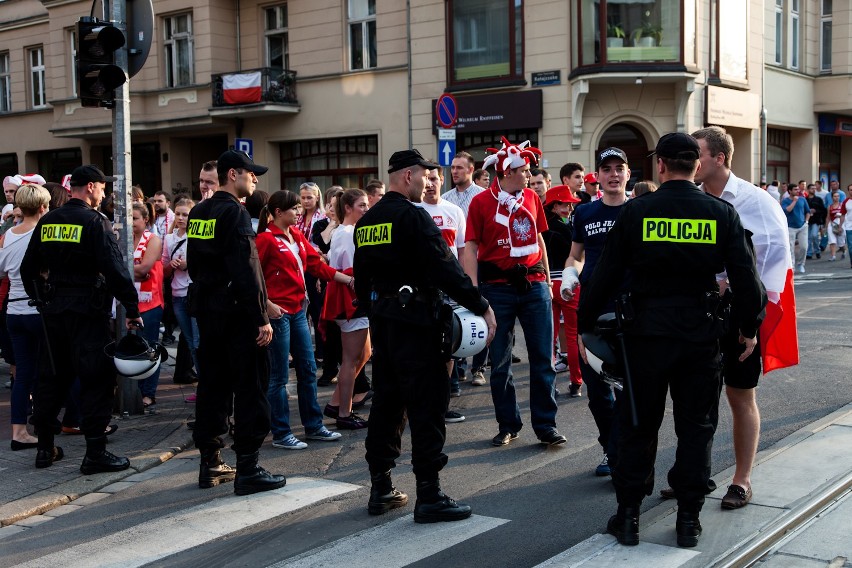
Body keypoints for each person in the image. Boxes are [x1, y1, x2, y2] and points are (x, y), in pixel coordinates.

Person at [578, 133, 766, 548]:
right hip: (699, 337)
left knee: (637, 425)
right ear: (696, 165)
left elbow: (602, 277)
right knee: (696, 428)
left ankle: (627, 517)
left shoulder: (635, 212)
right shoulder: (721, 213)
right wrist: (748, 330)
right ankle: (687, 521)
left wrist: (584, 328)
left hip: (644, 338)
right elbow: (748, 284)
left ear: (660, 165)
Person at [353, 149, 496, 522]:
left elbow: (361, 275)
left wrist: (374, 313)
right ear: (407, 177)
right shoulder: (412, 217)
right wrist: (479, 304)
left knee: (387, 402)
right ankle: (429, 495)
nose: (427, 183)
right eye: (423, 176)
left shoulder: (368, 221)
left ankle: (380, 487)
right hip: (417, 324)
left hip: (384, 323)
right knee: (427, 406)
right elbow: (444, 266)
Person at [689, 125, 793, 510]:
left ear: (719, 157)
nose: (692, 161)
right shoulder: (694, 199)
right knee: (696, 397)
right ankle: (695, 475)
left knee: (739, 395)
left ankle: (741, 479)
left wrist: (746, 312)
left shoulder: (756, 202)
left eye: (698, 153)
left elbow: (774, 262)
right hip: (699, 314)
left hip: (738, 314)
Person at [21, 165, 143, 472]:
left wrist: (40, 299)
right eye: (102, 189)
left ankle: (45, 448)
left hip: (54, 311)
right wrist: (132, 308)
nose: (104, 195)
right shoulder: (94, 222)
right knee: (95, 380)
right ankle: (95, 453)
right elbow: (115, 270)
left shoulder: (48, 221)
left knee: (51, 379)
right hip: (88, 312)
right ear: (90, 187)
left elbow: (27, 267)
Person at [187, 149, 286, 495]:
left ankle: (210, 462)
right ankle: (248, 467)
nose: (254, 179)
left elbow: (193, 262)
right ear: (233, 175)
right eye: (250, 173)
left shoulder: (200, 211)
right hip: (237, 316)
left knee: (212, 387)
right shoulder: (236, 213)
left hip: (208, 311)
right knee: (250, 387)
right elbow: (247, 270)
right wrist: (261, 317)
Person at [464, 136, 566, 447]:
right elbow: (470, 246)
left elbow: (539, 238)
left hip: (534, 284)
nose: (530, 176)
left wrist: (547, 280)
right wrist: (472, 293)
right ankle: (508, 423)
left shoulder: (532, 199)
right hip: (497, 289)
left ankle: (545, 425)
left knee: (542, 358)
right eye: (524, 170)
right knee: (501, 360)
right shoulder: (481, 202)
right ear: (507, 172)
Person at [255, 189, 349, 449]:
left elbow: (316, 265)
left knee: (308, 369)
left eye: (299, 207)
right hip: (279, 314)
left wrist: (347, 279)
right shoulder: (265, 239)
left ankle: (314, 426)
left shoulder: (295, 234)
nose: (299, 212)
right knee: (280, 377)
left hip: (297, 310)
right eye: (294, 208)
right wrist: (268, 305)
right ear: (277, 213)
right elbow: (253, 278)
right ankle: (282, 432)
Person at [560, 148, 631, 476]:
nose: (613, 174)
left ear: (628, 174)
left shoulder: (640, 211)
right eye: (607, 169)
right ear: (598, 176)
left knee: (631, 388)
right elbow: (575, 255)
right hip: (592, 308)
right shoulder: (585, 213)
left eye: (619, 168)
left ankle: (623, 452)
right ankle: (611, 448)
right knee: (597, 387)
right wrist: (571, 274)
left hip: (632, 310)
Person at [1, 184, 51, 450]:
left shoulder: (7, 235)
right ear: (43, 207)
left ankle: (18, 431)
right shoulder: (43, 233)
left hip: (14, 311)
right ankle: (46, 427)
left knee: (22, 375)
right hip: (37, 310)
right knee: (47, 372)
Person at [320, 188, 371, 429]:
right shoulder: (347, 233)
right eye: (362, 205)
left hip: (353, 299)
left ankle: (336, 403)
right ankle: (344, 413)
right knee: (351, 360)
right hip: (350, 300)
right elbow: (350, 271)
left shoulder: (348, 231)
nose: (366, 209)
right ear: (348, 208)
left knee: (364, 355)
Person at [420, 166, 467, 421]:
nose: (429, 184)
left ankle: (441, 403)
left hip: (448, 289)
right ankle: (420, 402)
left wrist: (467, 286)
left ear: (441, 181)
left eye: (434, 179)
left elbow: (462, 253)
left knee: (447, 347)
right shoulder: (414, 212)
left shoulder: (454, 211)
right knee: (423, 348)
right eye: (425, 179)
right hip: (421, 291)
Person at [541, 185, 582, 396]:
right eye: (565, 204)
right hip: (567, 283)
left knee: (550, 336)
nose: (570, 208)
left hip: (547, 284)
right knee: (572, 336)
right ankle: (576, 381)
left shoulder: (540, 227)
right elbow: (577, 257)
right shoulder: (567, 229)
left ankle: (550, 386)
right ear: (555, 206)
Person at [162, 197, 200, 393]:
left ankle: (206, 386)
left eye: (185, 214)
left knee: (198, 342)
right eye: (178, 213)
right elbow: (164, 271)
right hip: (177, 295)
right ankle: (203, 387)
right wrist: (172, 266)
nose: (181, 218)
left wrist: (188, 264)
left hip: (195, 294)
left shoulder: (197, 236)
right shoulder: (169, 239)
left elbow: (205, 266)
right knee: (190, 341)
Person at [130, 202, 164, 408]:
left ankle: (148, 393)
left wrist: (120, 270)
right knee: (129, 351)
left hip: (149, 304)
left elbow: (143, 270)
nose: (130, 222)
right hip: (125, 304)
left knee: (148, 349)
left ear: (145, 220)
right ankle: (132, 392)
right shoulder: (120, 238)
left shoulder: (153, 240)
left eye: (134, 218)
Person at [442, 151, 485, 217]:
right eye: (453, 167)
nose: (454, 171)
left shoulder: (483, 195)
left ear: (470, 170)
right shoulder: (445, 198)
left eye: (459, 168)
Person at [781, 181, 810, 273]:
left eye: (798, 189)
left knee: (804, 246)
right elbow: (787, 210)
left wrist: (806, 222)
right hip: (790, 227)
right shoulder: (785, 201)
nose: (798, 191)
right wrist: (794, 201)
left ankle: (801, 264)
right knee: (790, 247)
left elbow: (808, 211)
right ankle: (792, 265)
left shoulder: (803, 199)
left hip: (802, 226)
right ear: (790, 191)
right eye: (795, 189)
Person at [806, 186, 827, 259]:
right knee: (808, 237)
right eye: (812, 188)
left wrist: (816, 211)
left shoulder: (818, 199)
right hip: (807, 221)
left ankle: (817, 250)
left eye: (814, 189)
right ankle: (809, 253)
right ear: (808, 190)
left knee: (814, 235)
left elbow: (823, 210)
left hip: (816, 220)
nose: (814, 190)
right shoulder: (805, 200)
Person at [826, 191, 846, 261]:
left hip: (840, 223)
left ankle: (843, 251)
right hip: (832, 224)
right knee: (832, 241)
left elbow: (845, 215)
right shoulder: (830, 206)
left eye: (838, 196)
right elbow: (828, 216)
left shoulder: (842, 205)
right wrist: (826, 227)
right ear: (832, 197)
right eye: (835, 196)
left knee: (841, 242)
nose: (836, 197)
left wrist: (839, 215)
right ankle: (833, 256)